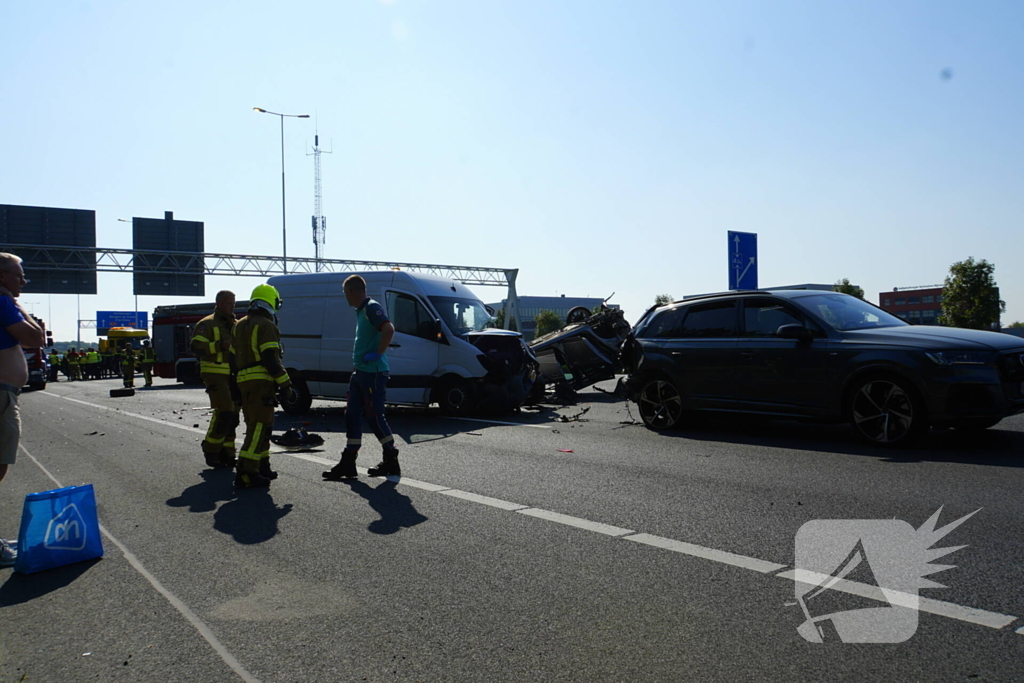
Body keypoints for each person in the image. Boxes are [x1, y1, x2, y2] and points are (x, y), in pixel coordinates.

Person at [323, 274, 400, 481]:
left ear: (352, 291)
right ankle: (348, 462)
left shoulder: (371, 308)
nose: (345, 297)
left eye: (345, 293)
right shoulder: (361, 311)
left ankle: (391, 458)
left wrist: (378, 352)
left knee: (374, 416)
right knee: (352, 415)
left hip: (373, 373)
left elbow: (388, 329)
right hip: (360, 372)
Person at [0, 253, 46, 567]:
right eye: (18, 276)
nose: (23, 281)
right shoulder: (3, 303)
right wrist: (16, 305)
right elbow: (36, 338)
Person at [232, 284, 293, 488]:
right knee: (259, 428)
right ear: (271, 302)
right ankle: (246, 472)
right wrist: (285, 384)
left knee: (260, 427)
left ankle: (262, 466)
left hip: (243, 381)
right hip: (260, 382)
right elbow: (270, 358)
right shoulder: (267, 325)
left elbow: (232, 359)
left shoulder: (239, 325)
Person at [191, 291, 240, 469]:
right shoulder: (207, 324)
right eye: (229, 303)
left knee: (233, 416)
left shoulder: (236, 324)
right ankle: (211, 449)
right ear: (219, 303)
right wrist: (219, 346)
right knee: (225, 411)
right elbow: (196, 347)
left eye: (233, 303)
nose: (232, 307)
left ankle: (228, 454)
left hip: (233, 375)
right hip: (214, 372)